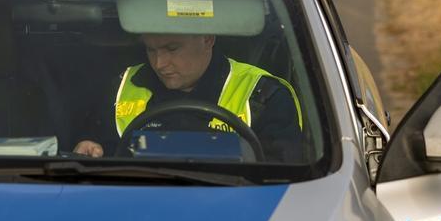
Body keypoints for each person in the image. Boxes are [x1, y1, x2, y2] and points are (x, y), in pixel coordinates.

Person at [73, 33, 301, 161]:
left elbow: (284, 182)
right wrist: (91, 148)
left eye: (172, 49)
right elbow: (98, 151)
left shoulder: (263, 95)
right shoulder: (122, 86)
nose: (159, 64)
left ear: (207, 39)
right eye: (151, 50)